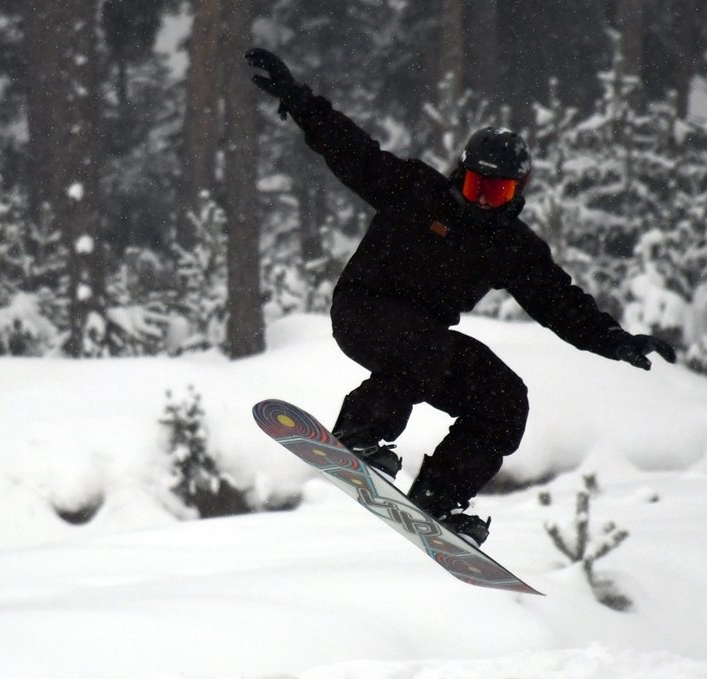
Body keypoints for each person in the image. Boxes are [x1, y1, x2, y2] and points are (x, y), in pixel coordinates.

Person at [246, 48, 675, 546]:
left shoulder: (511, 247)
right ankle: (359, 433)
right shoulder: (416, 190)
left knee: (504, 399)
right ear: (460, 175)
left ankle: (439, 498)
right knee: (424, 347)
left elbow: (561, 303)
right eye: (474, 186)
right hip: (364, 311)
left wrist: (616, 340)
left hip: (422, 344)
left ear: (517, 192)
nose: (480, 200)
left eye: (494, 193)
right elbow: (352, 151)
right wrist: (300, 101)